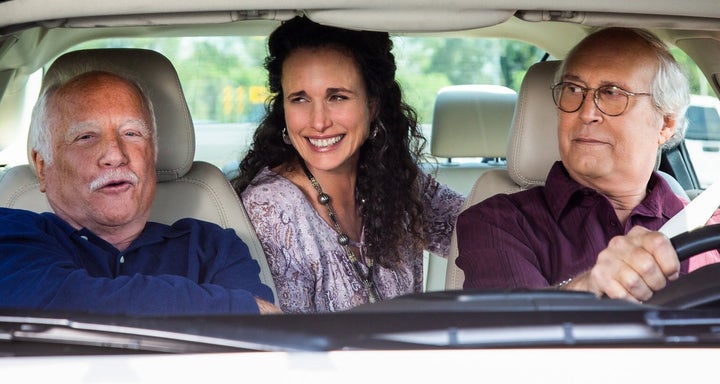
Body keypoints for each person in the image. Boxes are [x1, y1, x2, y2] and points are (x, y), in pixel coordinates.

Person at [456, 27, 720, 303]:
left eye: (612, 92)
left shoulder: (707, 227)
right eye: (573, 89)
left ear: (665, 123)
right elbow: (506, 330)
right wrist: (587, 287)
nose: (586, 113)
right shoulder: (498, 221)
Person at [232, 16, 464, 313]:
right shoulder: (272, 210)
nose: (319, 122)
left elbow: (483, 229)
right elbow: (289, 341)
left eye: (337, 97)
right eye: (300, 99)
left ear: (372, 105)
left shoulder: (393, 178)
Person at [0, 70, 281, 315]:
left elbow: (255, 345)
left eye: (132, 134)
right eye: (86, 137)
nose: (114, 154)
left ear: (153, 153)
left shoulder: (213, 247)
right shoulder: (11, 232)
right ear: (42, 167)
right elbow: (51, 301)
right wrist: (238, 306)